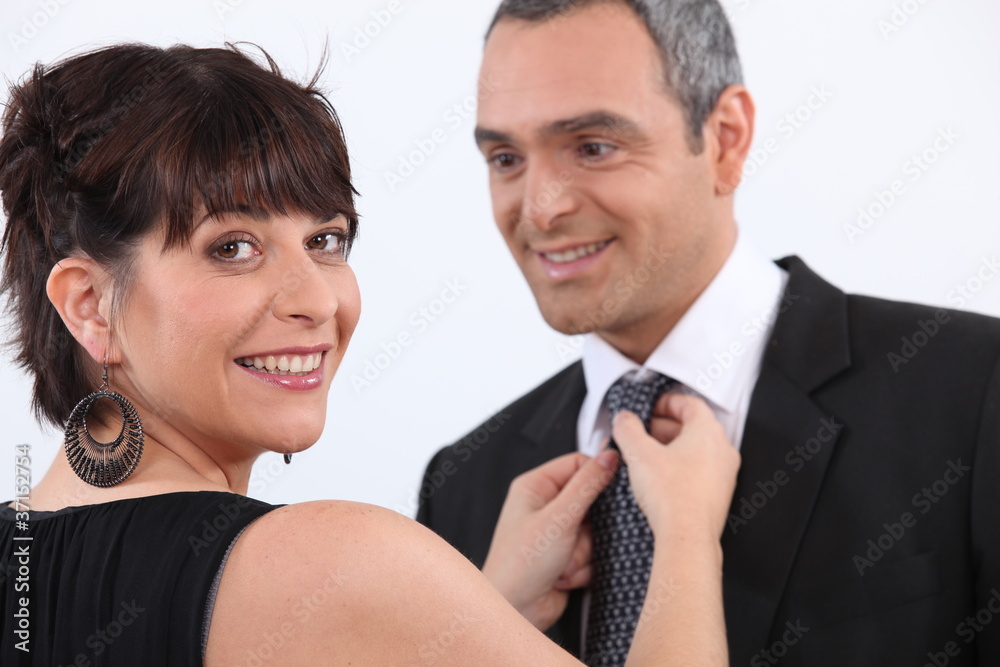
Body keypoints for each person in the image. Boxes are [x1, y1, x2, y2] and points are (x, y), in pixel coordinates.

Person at [0, 43, 740, 665]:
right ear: (89, 304)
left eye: (325, 240)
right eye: (233, 247)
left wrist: (482, 611)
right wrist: (685, 534)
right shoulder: (338, 560)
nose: (317, 300)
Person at [417, 0, 1000, 664]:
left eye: (593, 147)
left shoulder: (975, 393)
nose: (540, 209)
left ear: (725, 139)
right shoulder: (462, 490)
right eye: (505, 158)